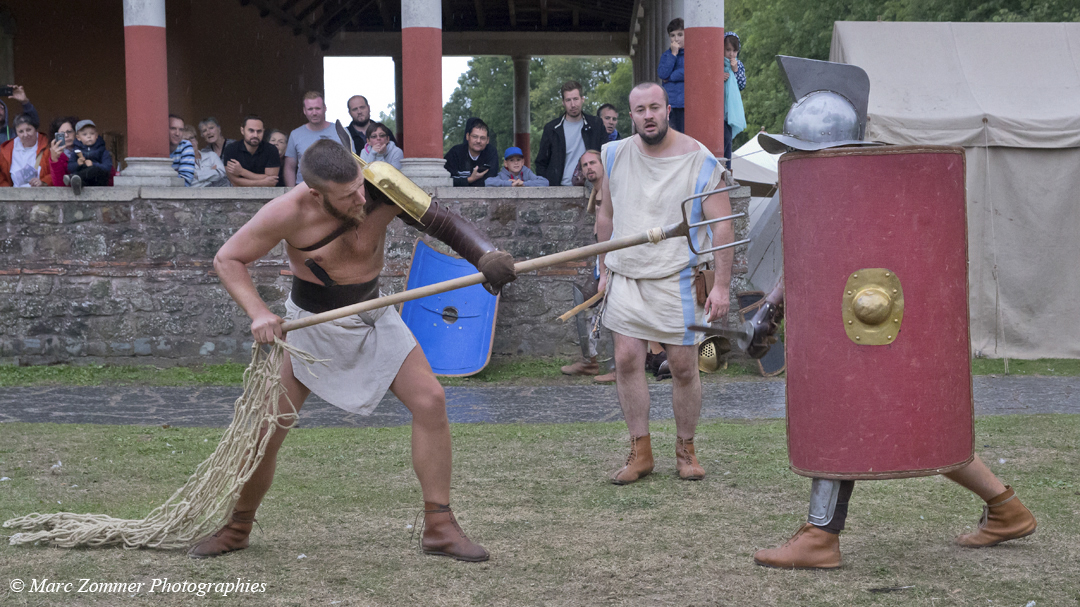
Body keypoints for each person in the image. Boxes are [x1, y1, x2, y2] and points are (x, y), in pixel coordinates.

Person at [191, 139, 517, 561]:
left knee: (431, 401)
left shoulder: (382, 184)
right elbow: (227, 259)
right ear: (315, 193)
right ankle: (237, 527)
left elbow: (444, 223)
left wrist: (485, 255)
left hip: (374, 318)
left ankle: (439, 527)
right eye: (347, 196)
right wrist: (258, 313)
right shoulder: (288, 212)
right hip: (311, 327)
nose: (361, 198)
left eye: (360, 187)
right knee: (268, 428)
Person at [596, 82, 734, 484]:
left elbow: (722, 226)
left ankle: (685, 449)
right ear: (631, 114)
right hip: (627, 273)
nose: (648, 116)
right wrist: (602, 267)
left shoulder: (699, 160)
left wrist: (722, 286)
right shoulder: (615, 154)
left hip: (678, 275)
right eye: (640, 110)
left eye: (655, 107)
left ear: (668, 109)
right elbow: (606, 214)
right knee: (625, 360)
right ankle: (641, 451)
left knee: (683, 366)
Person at [561, 149, 605, 378]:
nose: (588, 168)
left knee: (607, 309)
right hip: (601, 256)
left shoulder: (611, 189)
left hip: (613, 256)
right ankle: (591, 360)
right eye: (584, 165)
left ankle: (611, 365)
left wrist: (607, 267)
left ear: (603, 164)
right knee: (587, 302)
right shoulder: (596, 189)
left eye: (593, 163)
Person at [534, 81, 606, 187]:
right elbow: (541, 162)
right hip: (559, 189)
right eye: (568, 100)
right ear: (563, 102)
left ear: (582, 99)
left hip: (592, 187)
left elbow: (605, 155)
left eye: (576, 99)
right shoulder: (551, 128)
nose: (573, 104)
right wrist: (549, 186)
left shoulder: (596, 125)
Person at [284, 91, 342, 187]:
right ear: (304, 111)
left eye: (317, 108)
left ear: (325, 108)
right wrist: (291, 191)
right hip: (304, 189)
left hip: (334, 188)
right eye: (310, 109)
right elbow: (289, 167)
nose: (314, 113)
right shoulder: (295, 134)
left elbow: (352, 162)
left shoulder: (340, 131)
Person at [221, 115, 281, 187]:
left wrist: (242, 171)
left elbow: (272, 181)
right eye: (251, 131)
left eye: (259, 131)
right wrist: (263, 182)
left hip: (267, 196)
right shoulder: (231, 149)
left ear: (263, 131)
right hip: (238, 195)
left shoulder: (271, 150)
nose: (255, 135)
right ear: (242, 130)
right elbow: (235, 182)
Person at [444, 117, 498, 187]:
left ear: (487, 140)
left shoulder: (491, 153)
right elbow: (445, 180)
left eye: (482, 138)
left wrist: (462, 182)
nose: (478, 141)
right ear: (467, 136)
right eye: (475, 137)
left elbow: (491, 181)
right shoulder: (455, 153)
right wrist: (470, 179)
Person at [0, 112, 51, 187]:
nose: (25, 135)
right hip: (14, 196)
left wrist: (44, 182)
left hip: (42, 195)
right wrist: (8, 191)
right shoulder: (6, 150)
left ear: (36, 129)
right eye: (21, 131)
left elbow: (58, 172)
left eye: (28, 130)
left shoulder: (48, 146)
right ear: (16, 133)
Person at [65, 119, 113, 193]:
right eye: (85, 134)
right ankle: (76, 184)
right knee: (80, 174)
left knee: (94, 170)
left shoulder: (102, 150)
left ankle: (72, 178)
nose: (89, 137)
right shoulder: (76, 151)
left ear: (96, 135)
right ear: (78, 137)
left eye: (92, 134)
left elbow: (107, 167)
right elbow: (70, 167)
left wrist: (93, 164)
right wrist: (78, 164)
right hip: (84, 182)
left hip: (98, 181)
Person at [723, 32, 747, 169]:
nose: (731, 54)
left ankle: (728, 168)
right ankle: (724, 168)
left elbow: (742, 84)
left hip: (731, 109)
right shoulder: (716, 63)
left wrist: (735, 69)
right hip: (720, 107)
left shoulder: (739, 65)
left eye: (734, 50)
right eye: (728, 50)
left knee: (728, 138)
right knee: (724, 137)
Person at [657, 19, 686, 133]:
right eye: (672, 35)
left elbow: (688, 72)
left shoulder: (692, 53)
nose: (676, 39)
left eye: (680, 34)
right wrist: (673, 54)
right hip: (671, 104)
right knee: (672, 136)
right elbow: (663, 73)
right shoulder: (667, 55)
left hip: (686, 103)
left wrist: (671, 77)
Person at [45, 116, 78, 188]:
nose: (66, 136)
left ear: (76, 132)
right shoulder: (56, 154)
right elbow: (59, 184)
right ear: (56, 136)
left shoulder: (86, 148)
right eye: (62, 134)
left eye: (69, 132)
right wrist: (55, 160)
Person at [169, 114, 195, 186]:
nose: (177, 133)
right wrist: (176, 174)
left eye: (181, 130)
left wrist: (165, 174)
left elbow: (185, 182)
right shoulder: (157, 147)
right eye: (173, 128)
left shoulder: (185, 146)